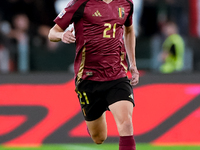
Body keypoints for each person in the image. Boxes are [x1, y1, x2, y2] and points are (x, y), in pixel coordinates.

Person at [48, 0, 139, 149]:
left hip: (117, 75)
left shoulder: (126, 3)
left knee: (126, 124)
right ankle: (92, 125)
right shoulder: (80, 3)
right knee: (99, 137)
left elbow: (129, 30)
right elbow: (52, 33)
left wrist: (133, 65)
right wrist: (62, 35)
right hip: (88, 78)